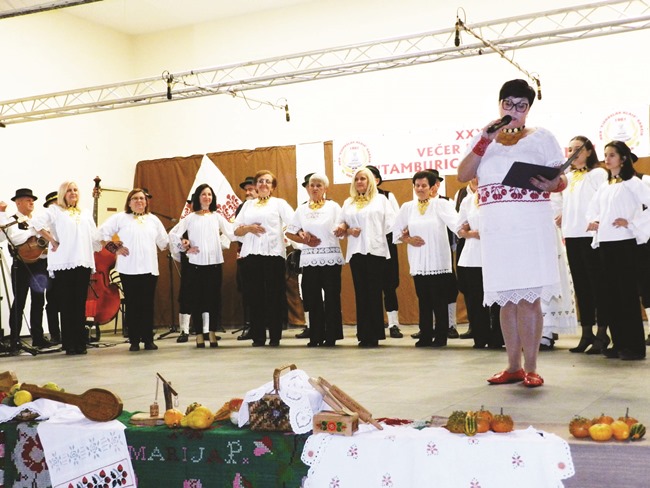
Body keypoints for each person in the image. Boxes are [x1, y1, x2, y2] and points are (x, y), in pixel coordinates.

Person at [457, 79, 566, 387]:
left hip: (530, 224)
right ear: (500, 105)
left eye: (522, 106)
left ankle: (531, 367)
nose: (514, 111)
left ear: (529, 109)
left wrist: (552, 184)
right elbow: (463, 174)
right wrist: (483, 140)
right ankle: (512, 366)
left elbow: (561, 179)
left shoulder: (543, 137)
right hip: (497, 228)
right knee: (506, 298)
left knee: (529, 298)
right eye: (509, 104)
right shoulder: (485, 139)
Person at [586, 140, 650, 360]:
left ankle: (634, 346)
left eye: (612, 154)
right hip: (606, 243)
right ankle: (619, 342)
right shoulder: (605, 185)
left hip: (625, 243)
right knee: (611, 294)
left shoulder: (634, 182)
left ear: (623, 158)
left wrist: (632, 223)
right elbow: (594, 209)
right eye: (605, 154)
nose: (607, 158)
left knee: (626, 295)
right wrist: (594, 221)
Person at [31, 181, 102, 356]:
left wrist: (106, 243)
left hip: (82, 262)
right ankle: (69, 343)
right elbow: (36, 223)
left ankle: (80, 342)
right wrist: (52, 241)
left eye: (75, 189)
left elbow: (95, 236)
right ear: (63, 193)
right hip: (63, 263)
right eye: (69, 190)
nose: (73, 193)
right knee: (66, 304)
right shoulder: (55, 210)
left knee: (79, 304)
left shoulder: (85, 213)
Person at [555, 136, 609, 353]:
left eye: (578, 149)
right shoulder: (568, 178)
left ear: (588, 151)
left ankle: (603, 334)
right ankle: (586, 332)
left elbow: (603, 201)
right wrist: (560, 215)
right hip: (573, 236)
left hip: (592, 237)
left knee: (598, 286)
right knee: (582, 287)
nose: (573, 153)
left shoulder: (597, 174)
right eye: (570, 149)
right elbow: (560, 202)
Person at [393, 170, 458, 347]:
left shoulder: (441, 205)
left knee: (439, 299)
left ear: (432, 187)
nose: (420, 189)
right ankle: (426, 335)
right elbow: (395, 231)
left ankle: (441, 336)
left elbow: (457, 224)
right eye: (417, 185)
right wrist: (408, 239)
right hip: (419, 261)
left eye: (424, 186)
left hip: (438, 260)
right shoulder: (407, 207)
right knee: (424, 299)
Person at [99, 189, 169, 352]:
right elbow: (101, 234)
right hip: (128, 268)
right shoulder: (120, 218)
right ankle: (134, 340)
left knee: (147, 304)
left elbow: (164, 242)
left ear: (146, 202)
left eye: (142, 199)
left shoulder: (153, 220)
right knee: (132, 304)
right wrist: (114, 249)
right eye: (135, 198)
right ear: (129, 202)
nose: (139, 201)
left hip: (149, 268)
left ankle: (148, 339)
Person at [335, 166, 396, 348]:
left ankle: (376, 334)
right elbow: (340, 224)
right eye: (357, 179)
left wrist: (376, 234)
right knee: (361, 293)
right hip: (356, 252)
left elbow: (391, 224)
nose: (360, 182)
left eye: (363, 178)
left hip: (375, 251)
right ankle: (364, 334)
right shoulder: (349, 202)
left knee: (374, 293)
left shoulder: (381, 200)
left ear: (370, 180)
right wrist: (346, 230)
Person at [170, 183, 235, 348]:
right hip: (195, 265)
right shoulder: (189, 218)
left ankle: (212, 332)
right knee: (197, 300)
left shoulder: (217, 217)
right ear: (197, 198)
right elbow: (173, 235)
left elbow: (232, 233)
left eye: (210, 195)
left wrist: (247, 228)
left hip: (214, 264)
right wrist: (185, 245)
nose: (207, 197)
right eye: (204, 194)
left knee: (213, 300)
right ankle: (199, 334)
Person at [234, 170, 294, 347]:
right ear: (256, 185)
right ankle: (258, 336)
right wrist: (249, 228)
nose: (263, 184)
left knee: (274, 296)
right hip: (251, 256)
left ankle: (275, 336)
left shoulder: (279, 204)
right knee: (254, 296)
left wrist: (287, 237)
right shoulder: (248, 206)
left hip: (273, 255)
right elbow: (236, 230)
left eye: (268, 182)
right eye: (260, 181)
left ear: (273, 187)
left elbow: (294, 223)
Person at [286, 173, 344, 347]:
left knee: (332, 297)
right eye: (312, 185)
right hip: (310, 259)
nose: (315, 188)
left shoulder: (333, 207)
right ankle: (316, 335)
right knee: (312, 297)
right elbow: (290, 232)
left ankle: (332, 335)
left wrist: (340, 229)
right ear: (307, 188)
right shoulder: (302, 209)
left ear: (325, 188)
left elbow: (343, 225)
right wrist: (302, 237)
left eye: (319, 185)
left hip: (330, 258)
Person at [0, 188, 54, 352]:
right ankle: (15, 339)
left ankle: (38, 337)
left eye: (32, 200)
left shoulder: (38, 220)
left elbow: (47, 237)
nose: (31, 202)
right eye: (27, 200)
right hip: (21, 265)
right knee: (19, 301)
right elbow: (12, 238)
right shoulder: (11, 220)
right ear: (18, 202)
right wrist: (34, 232)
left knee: (39, 300)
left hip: (39, 264)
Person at [456, 177, 504, 349]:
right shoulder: (468, 201)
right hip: (472, 256)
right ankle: (480, 336)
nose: (476, 179)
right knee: (475, 299)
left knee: (497, 299)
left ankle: (498, 337)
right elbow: (459, 229)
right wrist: (471, 233)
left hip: (495, 254)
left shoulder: (499, 196)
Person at [366, 165, 403, 339]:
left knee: (389, 285)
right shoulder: (355, 199)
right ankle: (374, 322)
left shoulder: (387, 196)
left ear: (377, 180)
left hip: (386, 246)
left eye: (369, 177)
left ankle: (394, 323)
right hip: (367, 250)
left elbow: (395, 221)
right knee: (371, 287)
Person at [234, 176, 258, 341]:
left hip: (265, 254)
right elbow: (237, 229)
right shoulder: (242, 208)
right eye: (246, 190)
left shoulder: (270, 205)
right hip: (245, 253)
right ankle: (250, 325)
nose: (248, 192)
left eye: (251, 189)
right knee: (248, 291)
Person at [42, 191, 61, 345]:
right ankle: (55, 334)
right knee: (52, 302)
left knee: (70, 301)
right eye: (52, 204)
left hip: (66, 265)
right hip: (50, 266)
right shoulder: (45, 224)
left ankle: (73, 333)